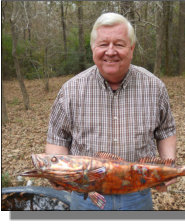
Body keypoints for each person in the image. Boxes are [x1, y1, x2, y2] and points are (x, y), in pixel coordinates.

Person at [45, 12, 176, 210]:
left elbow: (165, 131)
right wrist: (59, 172)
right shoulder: (71, 90)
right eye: (104, 44)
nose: (111, 51)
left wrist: (168, 165)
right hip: (86, 196)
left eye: (119, 44)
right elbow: (58, 138)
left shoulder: (154, 87)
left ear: (131, 48)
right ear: (93, 48)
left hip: (138, 193)